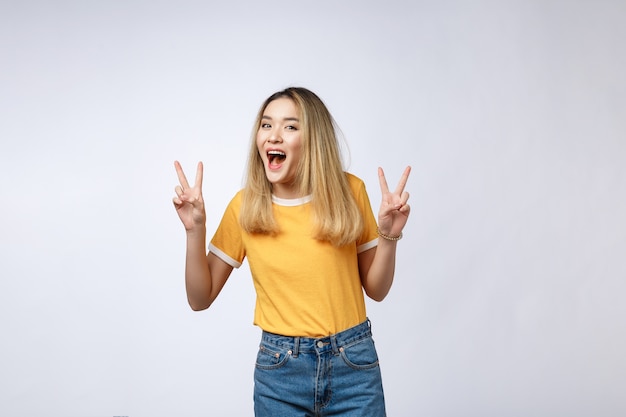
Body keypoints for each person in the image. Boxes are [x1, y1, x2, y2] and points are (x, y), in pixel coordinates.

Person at [173, 87, 410, 416]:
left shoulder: (350, 192)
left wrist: (389, 235)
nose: (273, 136)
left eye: (290, 126)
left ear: (314, 140)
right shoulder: (246, 207)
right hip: (280, 372)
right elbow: (200, 299)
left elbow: (377, 289)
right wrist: (193, 230)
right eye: (267, 125)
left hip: (353, 364)